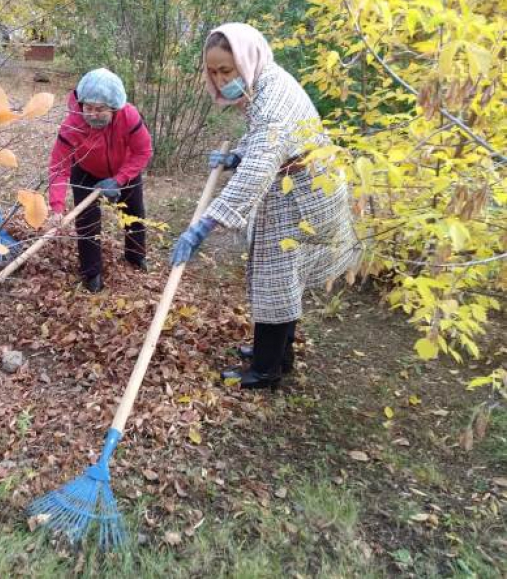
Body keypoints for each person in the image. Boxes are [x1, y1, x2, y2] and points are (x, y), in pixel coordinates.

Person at [171, 23, 360, 390]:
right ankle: (276, 354)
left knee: (276, 278)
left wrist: (204, 225)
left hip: (304, 198)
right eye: (213, 71)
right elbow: (262, 142)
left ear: (247, 59)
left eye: (226, 69)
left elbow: (260, 166)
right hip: (297, 187)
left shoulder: (272, 99)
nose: (220, 77)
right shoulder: (265, 82)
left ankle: (265, 370)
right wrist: (236, 155)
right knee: (282, 278)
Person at [48, 68, 153, 292]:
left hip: (124, 168)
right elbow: (59, 167)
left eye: (100, 109)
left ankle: (136, 256)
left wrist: (119, 179)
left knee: (134, 213)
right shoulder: (72, 125)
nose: (93, 114)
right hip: (85, 170)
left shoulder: (129, 116)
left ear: (113, 107)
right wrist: (56, 207)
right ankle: (92, 273)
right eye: (89, 108)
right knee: (87, 222)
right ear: (81, 103)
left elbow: (143, 151)